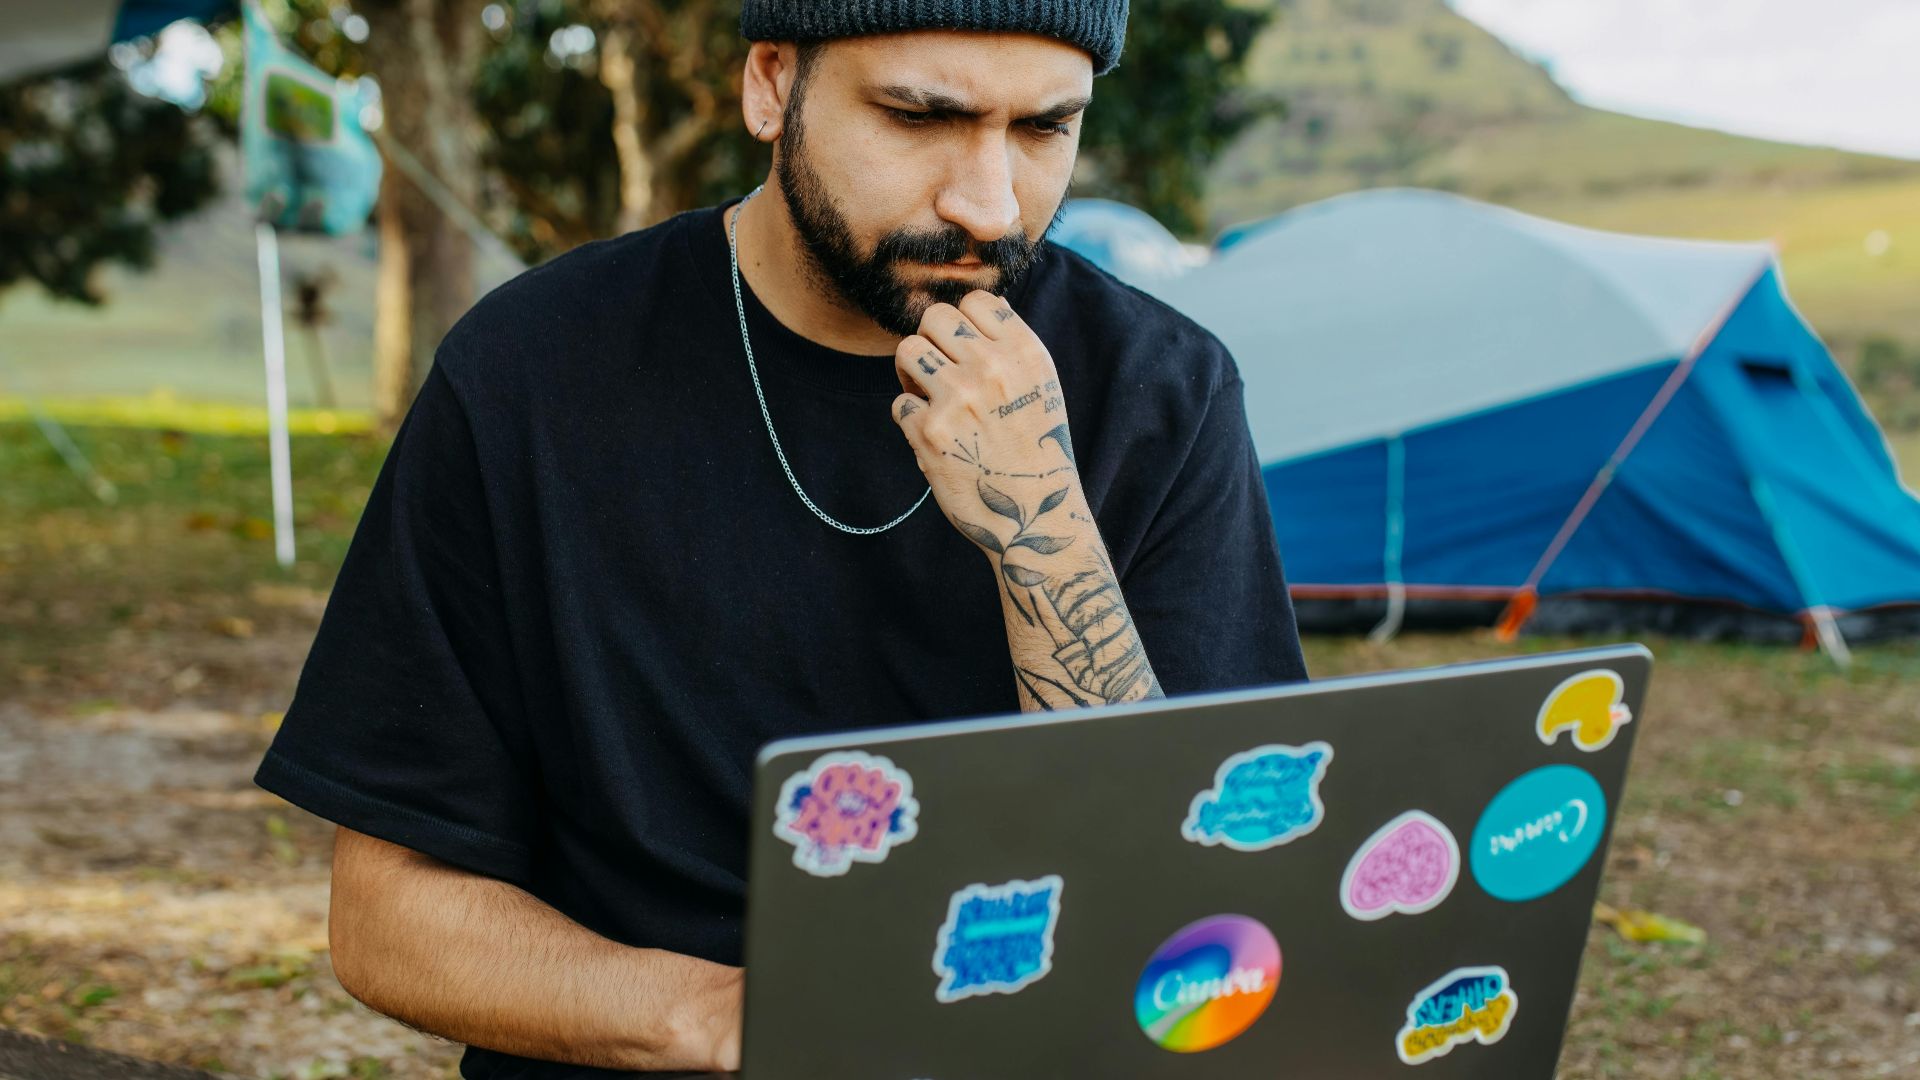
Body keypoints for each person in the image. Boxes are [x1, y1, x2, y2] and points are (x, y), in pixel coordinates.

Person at [252, 2, 1309, 1075]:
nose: (989, 206)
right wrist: (727, 1019)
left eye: (1043, 130)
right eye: (917, 116)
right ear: (770, 84)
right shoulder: (532, 374)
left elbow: (1206, 910)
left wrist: (1045, 536)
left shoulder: (1161, 393)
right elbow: (388, 918)